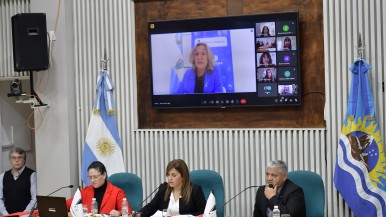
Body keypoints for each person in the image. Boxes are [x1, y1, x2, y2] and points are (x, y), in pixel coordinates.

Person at [139, 159, 206, 217]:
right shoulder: (164, 189)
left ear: (183, 176)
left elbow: (203, 212)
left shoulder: (195, 190)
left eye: (174, 175)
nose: (170, 178)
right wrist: (137, 214)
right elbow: (150, 207)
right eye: (168, 175)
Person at [66, 161, 131, 216]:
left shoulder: (117, 192)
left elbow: (129, 213)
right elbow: (65, 206)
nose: (92, 180)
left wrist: (118, 213)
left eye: (95, 177)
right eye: (90, 177)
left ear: (104, 175)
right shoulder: (84, 191)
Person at [0, 147, 37, 216]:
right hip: (7, 215)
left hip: (26, 215)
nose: (16, 160)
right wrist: (6, 214)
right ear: (10, 160)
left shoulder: (32, 175)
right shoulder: (3, 176)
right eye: (13, 158)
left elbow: (35, 199)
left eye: (20, 157)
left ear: (24, 160)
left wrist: (24, 214)